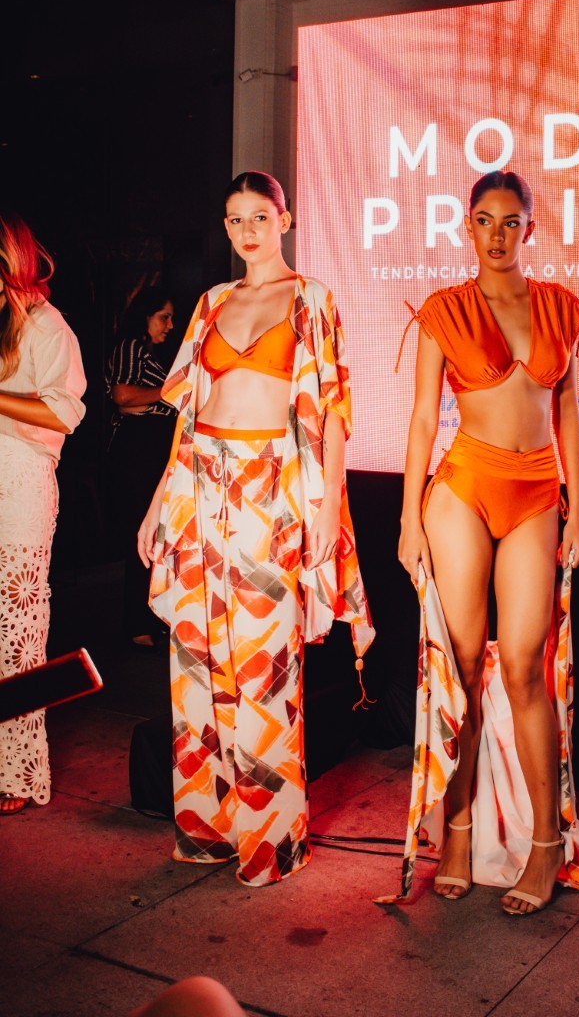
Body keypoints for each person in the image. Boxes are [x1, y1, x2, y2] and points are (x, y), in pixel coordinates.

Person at [137, 170, 374, 886]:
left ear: (285, 220)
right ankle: (208, 831)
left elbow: (331, 413)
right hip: (199, 489)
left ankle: (271, 843)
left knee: (266, 670)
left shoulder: (311, 299)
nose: (247, 230)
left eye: (260, 217)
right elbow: (186, 416)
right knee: (196, 665)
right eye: (235, 219)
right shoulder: (212, 302)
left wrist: (328, 510)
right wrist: (156, 504)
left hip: (272, 492)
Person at [396, 171, 579, 914]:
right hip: (463, 486)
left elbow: (567, 410)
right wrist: (407, 519)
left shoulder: (559, 308)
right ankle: (456, 831)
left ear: (530, 229)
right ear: (468, 225)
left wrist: (578, 513)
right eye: (484, 220)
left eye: (510, 222)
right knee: (460, 666)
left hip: (537, 490)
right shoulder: (443, 310)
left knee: (522, 666)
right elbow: (424, 420)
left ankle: (546, 844)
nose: (496, 235)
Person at [0, 211, 86, 815]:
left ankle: (14, 771)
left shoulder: (47, 324)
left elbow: (63, 412)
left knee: (15, 635)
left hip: (19, 485)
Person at [105, 285, 176, 649]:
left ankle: (149, 618)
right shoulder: (131, 346)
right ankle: (136, 626)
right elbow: (123, 396)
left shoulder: (147, 352)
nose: (169, 325)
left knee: (157, 534)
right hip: (138, 446)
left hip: (152, 444)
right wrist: (171, 392)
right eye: (164, 317)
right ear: (145, 316)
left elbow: (133, 400)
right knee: (143, 532)